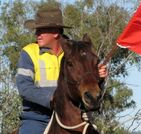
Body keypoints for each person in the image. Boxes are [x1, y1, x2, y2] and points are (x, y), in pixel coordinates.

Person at [16, 6, 107, 134]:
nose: (37, 34)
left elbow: (87, 85)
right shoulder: (29, 52)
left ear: (55, 32)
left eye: (41, 30)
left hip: (73, 117)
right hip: (38, 118)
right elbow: (24, 87)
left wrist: (100, 78)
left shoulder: (76, 53)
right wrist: (52, 98)